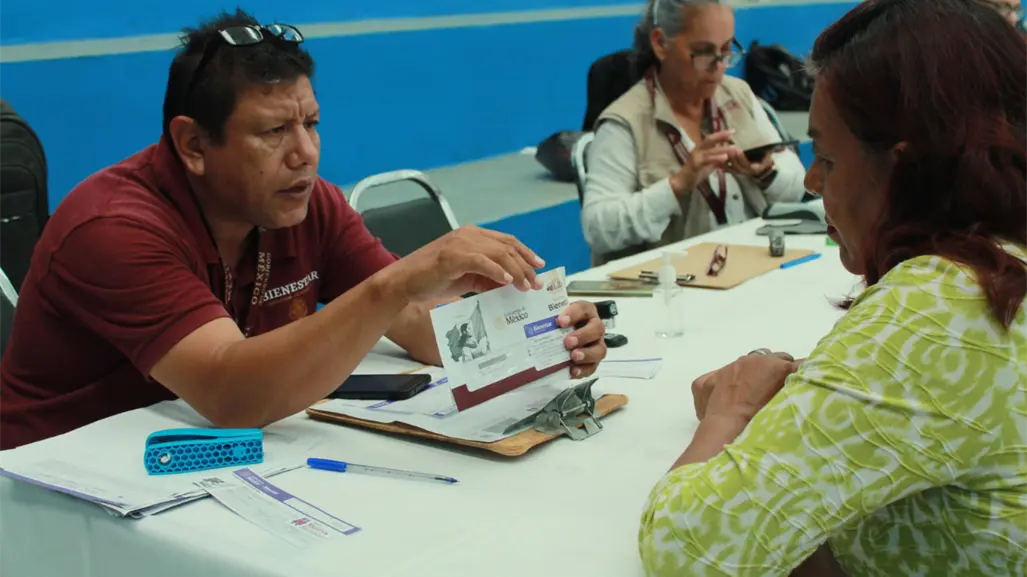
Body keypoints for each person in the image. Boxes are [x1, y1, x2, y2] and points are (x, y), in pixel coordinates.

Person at [0, 10, 608, 450]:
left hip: (191, 459)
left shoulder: (304, 203)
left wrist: (542, 328)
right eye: (273, 133)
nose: (306, 154)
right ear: (192, 143)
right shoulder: (114, 227)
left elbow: (424, 327)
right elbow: (232, 397)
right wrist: (394, 283)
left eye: (311, 124)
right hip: (55, 486)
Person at [638, 0, 1027, 575]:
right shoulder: (995, 265)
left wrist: (734, 409)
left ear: (900, 167)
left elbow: (689, 548)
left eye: (826, 158)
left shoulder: (937, 311)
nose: (815, 182)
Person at [580, 0, 806, 265]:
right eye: (704, 52)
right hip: (672, 284)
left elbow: (798, 185)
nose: (719, 65)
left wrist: (766, 173)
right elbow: (598, 228)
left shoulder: (739, 94)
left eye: (726, 50)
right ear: (660, 43)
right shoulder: (625, 122)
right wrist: (678, 185)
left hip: (750, 264)